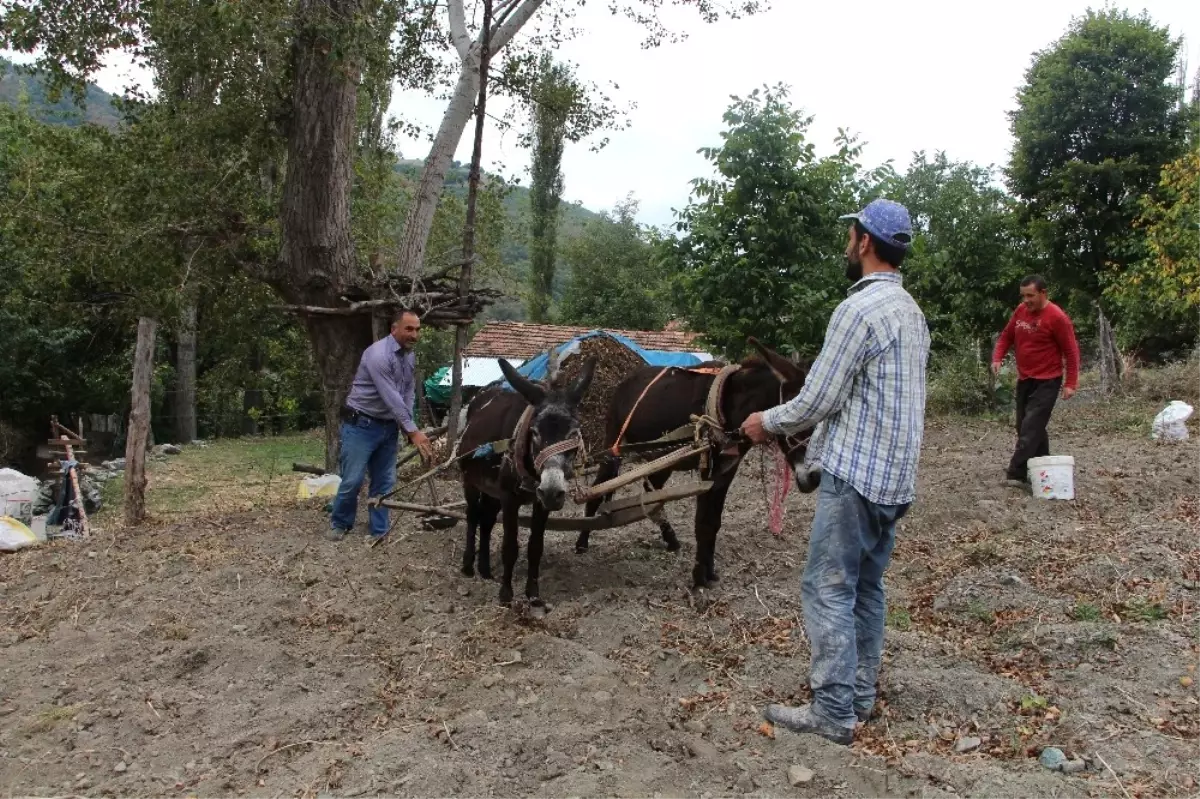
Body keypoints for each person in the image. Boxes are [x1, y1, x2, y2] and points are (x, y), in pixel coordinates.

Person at [740, 198, 930, 745]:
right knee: (867, 586)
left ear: (864, 241)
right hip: (896, 479)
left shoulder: (857, 311)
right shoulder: (911, 313)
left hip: (856, 478)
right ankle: (859, 697)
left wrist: (765, 422)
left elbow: (816, 398)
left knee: (826, 588)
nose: (847, 243)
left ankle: (832, 712)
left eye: (851, 234)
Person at [327, 310, 433, 541]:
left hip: (388, 427)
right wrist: (413, 431)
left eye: (417, 329)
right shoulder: (378, 355)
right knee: (353, 479)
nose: (414, 334)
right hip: (361, 425)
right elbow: (390, 396)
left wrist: (407, 427)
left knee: (385, 482)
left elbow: (407, 393)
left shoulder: (409, 357)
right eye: (409, 329)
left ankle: (379, 530)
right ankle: (340, 523)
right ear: (394, 329)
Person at [991, 276, 1079, 487]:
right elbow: (1006, 336)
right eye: (1023, 296)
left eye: (1030, 295)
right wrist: (997, 357)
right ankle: (1044, 465)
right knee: (1024, 426)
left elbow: (1071, 351)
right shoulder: (1020, 312)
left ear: (1043, 293)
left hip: (1048, 380)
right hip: (1025, 378)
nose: (1026, 300)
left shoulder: (1057, 317)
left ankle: (1016, 473)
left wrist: (1071, 383)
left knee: (1031, 427)